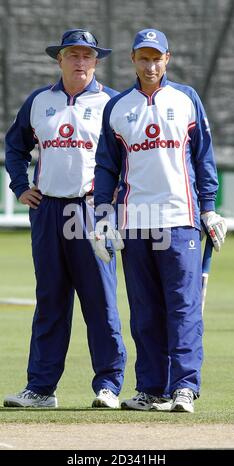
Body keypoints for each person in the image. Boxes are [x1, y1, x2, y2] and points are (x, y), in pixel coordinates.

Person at [91, 28, 227, 413]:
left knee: (182, 306)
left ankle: (184, 387)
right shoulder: (117, 107)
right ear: (133, 60)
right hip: (135, 221)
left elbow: (202, 155)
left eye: (157, 58)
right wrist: (104, 213)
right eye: (143, 58)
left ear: (167, 59)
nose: (150, 65)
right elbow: (106, 166)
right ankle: (151, 387)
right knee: (145, 309)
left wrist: (208, 207)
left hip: (180, 217)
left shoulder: (186, 99)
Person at [4, 28, 126, 409]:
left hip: (91, 209)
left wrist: (116, 202)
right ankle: (41, 389)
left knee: (100, 303)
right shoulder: (40, 101)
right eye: (72, 55)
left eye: (87, 55)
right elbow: (14, 145)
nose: (80, 62)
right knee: (51, 301)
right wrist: (20, 186)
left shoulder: (113, 103)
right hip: (48, 211)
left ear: (96, 61)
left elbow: (131, 156)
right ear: (59, 59)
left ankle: (108, 385)